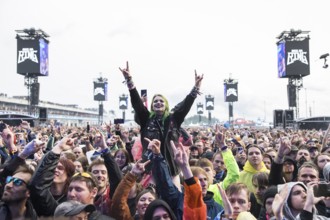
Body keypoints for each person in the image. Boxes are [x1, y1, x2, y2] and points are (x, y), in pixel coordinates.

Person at [119, 61, 203, 179]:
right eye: (156, 101)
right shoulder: (146, 119)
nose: (158, 102)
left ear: (166, 105)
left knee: (173, 197)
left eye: (161, 101)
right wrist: (129, 80)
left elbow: (185, 104)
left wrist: (196, 88)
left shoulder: (174, 119)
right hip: (150, 169)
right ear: (152, 106)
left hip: (172, 169)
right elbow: (137, 104)